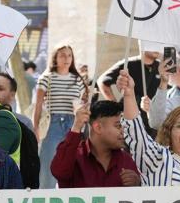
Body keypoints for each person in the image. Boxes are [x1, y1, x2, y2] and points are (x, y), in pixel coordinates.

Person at [51, 100, 140, 188]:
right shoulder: (74, 156)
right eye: (118, 126)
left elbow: (137, 194)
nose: (123, 131)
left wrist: (137, 184)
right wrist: (76, 127)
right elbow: (59, 172)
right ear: (98, 128)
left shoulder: (126, 161)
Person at [34, 43, 87, 189]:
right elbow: (38, 105)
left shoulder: (78, 80)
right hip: (53, 123)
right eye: (63, 55)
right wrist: (36, 127)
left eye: (69, 55)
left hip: (73, 123)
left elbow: (82, 102)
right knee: (48, 164)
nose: (67, 59)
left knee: (73, 164)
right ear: (55, 58)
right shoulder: (46, 78)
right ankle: (45, 195)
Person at [98, 52, 160, 133]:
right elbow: (102, 81)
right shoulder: (128, 64)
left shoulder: (161, 67)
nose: (156, 49)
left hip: (153, 121)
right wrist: (115, 107)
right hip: (131, 120)